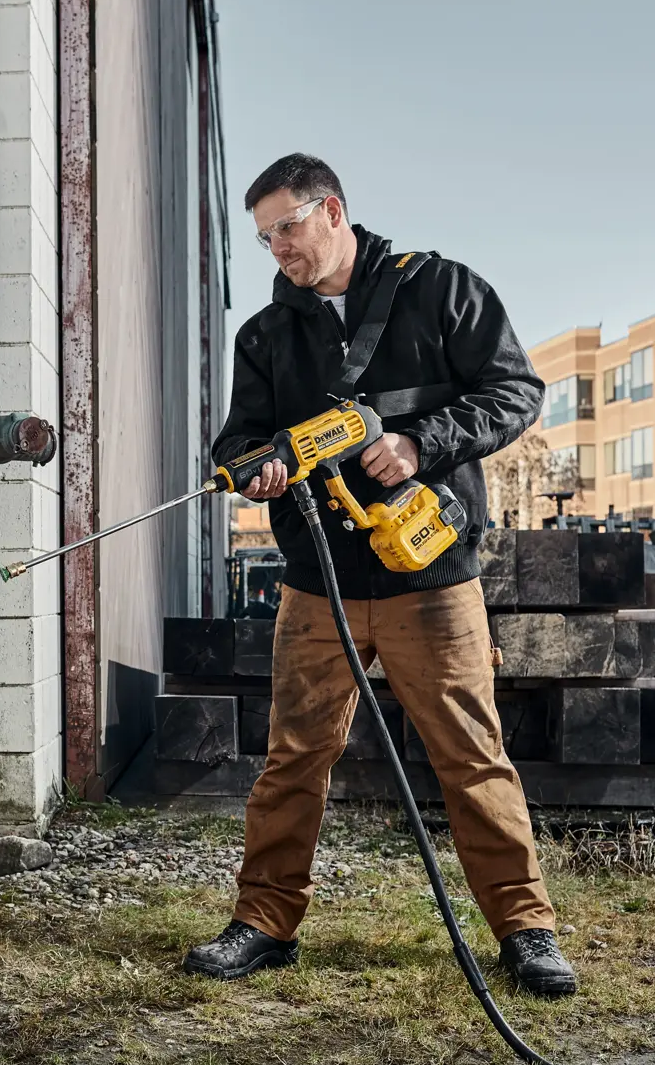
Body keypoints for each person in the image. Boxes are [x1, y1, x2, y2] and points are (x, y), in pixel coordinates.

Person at [182, 153, 576, 997]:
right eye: (263, 237)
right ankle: (264, 922)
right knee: (294, 757)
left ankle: (525, 930)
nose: (277, 248)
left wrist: (418, 444)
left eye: (287, 226)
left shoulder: (440, 291)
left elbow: (515, 393)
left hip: (431, 579)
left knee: (471, 754)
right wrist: (256, 468)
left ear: (334, 212)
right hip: (316, 582)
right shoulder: (266, 336)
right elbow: (236, 441)